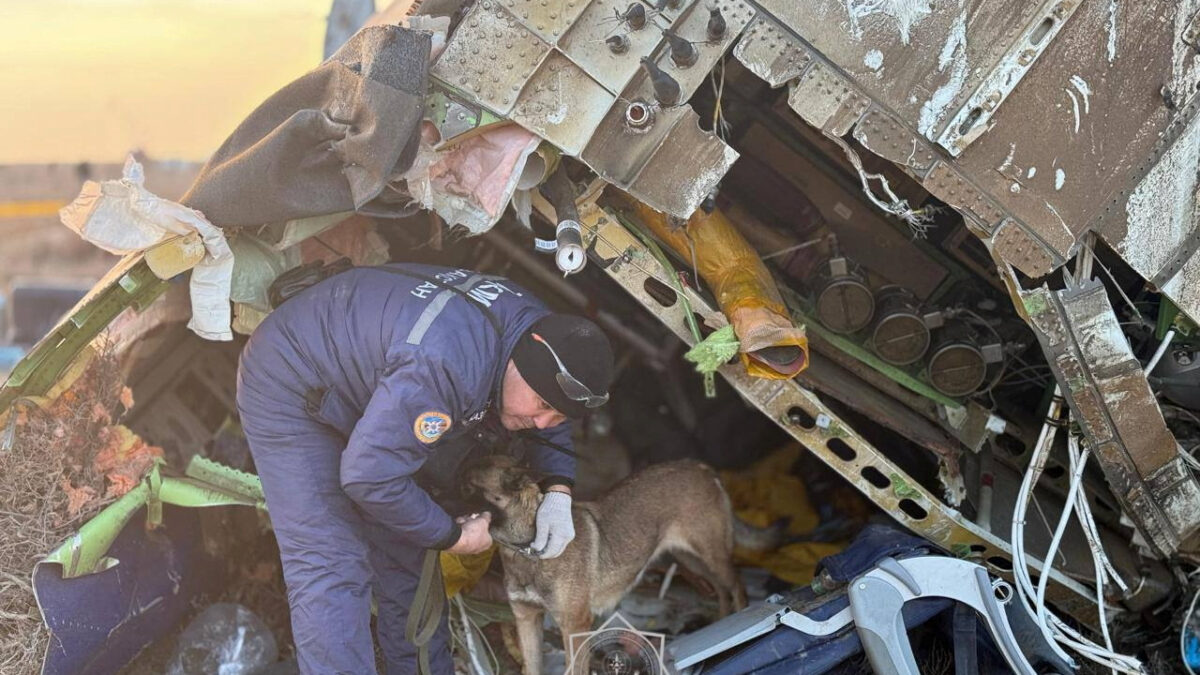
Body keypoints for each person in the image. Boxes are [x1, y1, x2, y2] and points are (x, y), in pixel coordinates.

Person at [236, 262, 615, 674]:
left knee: (406, 553)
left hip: (371, 384)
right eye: (542, 407)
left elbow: (550, 409)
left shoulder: (539, 333)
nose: (543, 423)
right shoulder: (446, 367)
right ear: (519, 365)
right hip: (291, 378)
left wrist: (559, 488)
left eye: (558, 417)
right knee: (330, 563)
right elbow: (369, 476)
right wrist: (451, 535)